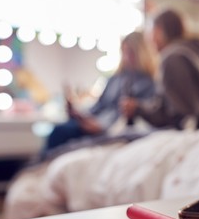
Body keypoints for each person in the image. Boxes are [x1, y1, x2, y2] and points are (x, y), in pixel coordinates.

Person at [41, 31, 156, 159]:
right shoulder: (115, 79)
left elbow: (131, 120)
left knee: (61, 133)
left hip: (110, 131)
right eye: (124, 52)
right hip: (94, 124)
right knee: (59, 129)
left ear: (141, 53)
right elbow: (99, 106)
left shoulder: (148, 84)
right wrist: (79, 114)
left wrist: (102, 127)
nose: (126, 57)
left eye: (131, 52)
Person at [121, 9, 199, 130]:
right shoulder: (196, 52)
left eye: (151, 32)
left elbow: (182, 117)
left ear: (158, 31)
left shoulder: (172, 58)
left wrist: (137, 109)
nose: (149, 39)